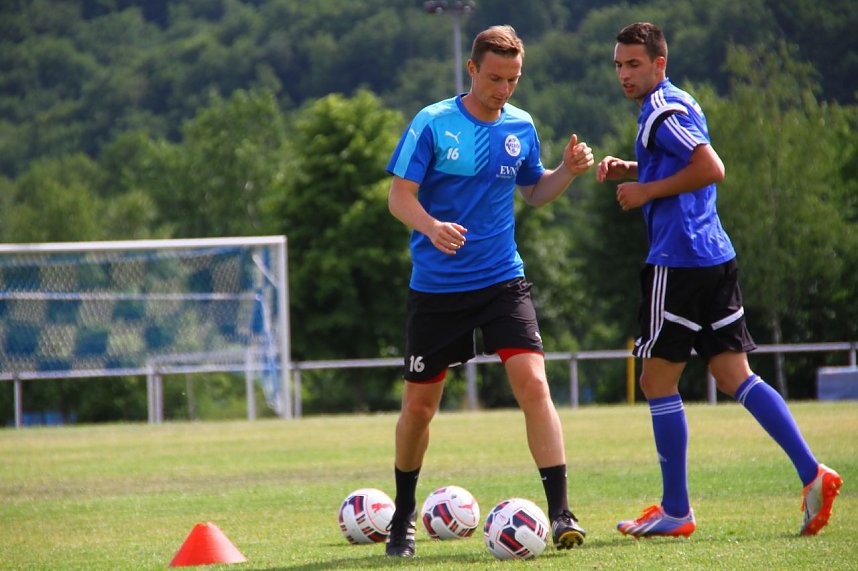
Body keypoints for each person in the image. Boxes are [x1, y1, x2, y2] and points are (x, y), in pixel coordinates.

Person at [596, 22, 843, 539]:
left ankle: (677, 510)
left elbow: (710, 167)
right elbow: (681, 162)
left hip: (679, 261)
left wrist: (643, 191)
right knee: (735, 375)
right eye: (619, 64)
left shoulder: (663, 109)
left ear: (659, 64)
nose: (624, 73)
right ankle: (812, 473)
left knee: (656, 382)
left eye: (634, 64)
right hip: (714, 255)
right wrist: (631, 169)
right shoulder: (678, 102)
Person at [384, 24, 593, 558]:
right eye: (495, 77)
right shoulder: (432, 123)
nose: (503, 89)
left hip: (503, 279)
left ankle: (562, 512)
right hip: (436, 290)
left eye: (513, 79)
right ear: (472, 69)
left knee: (534, 385)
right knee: (420, 408)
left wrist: (565, 173)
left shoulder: (521, 125)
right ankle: (404, 516)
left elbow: (534, 190)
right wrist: (431, 226)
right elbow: (399, 197)